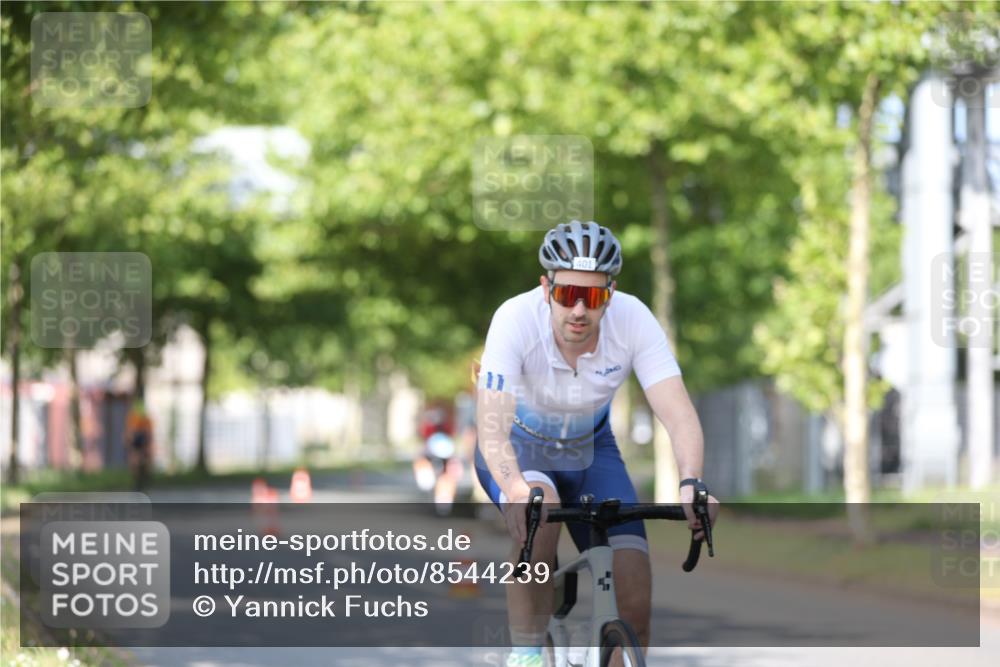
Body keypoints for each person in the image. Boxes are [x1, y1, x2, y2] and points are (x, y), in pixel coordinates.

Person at [475, 220, 719, 666]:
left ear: (611, 293)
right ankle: (526, 655)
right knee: (539, 511)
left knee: (634, 594)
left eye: (593, 297)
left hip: (592, 452)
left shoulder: (633, 319)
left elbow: (679, 414)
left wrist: (692, 482)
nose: (579, 310)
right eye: (568, 293)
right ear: (546, 287)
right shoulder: (514, 318)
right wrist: (515, 490)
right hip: (520, 447)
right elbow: (492, 429)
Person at [412, 402, 463, 515]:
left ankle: (443, 504)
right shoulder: (430, 428)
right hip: (433, 450)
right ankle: (439, 502)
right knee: (430, 477)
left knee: (446, 478)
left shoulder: (447, 427)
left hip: (443, 451)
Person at [124, 398, 154, 491]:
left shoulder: (143, 419)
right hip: (137, 438)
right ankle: (139, 480)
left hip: (141, 437)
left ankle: (142, 479)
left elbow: (148, 433)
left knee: (141, 459)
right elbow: (130, 432)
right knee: (137, 460)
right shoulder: (134, 418)